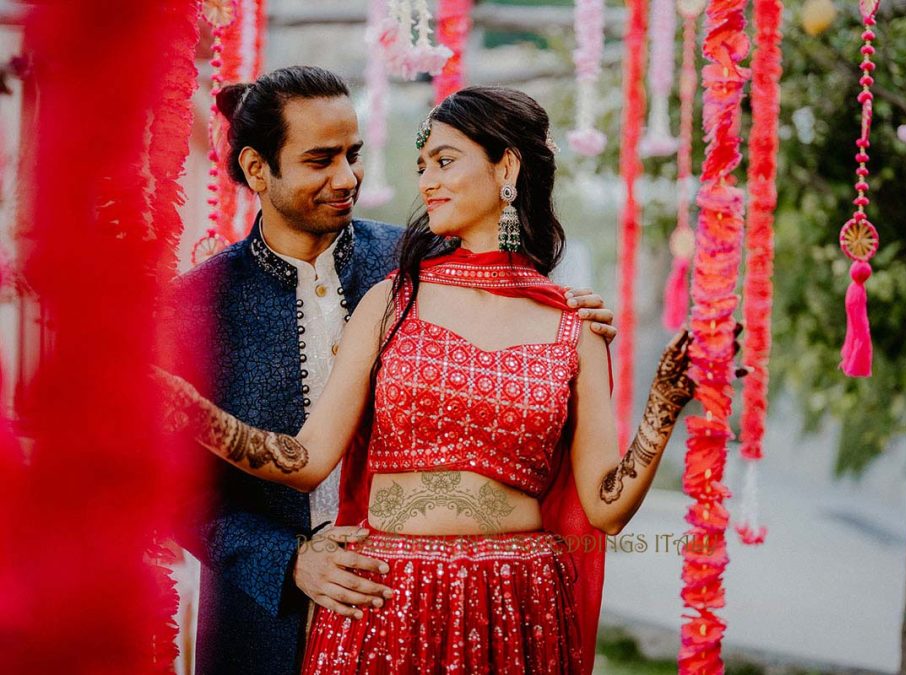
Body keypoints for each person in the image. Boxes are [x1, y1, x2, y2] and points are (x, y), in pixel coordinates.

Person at [162, 86, 688, 674]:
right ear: (258, 170)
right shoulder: (212, 303)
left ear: (507, 165)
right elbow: (192, 484)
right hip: (361, 599)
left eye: (353, 155)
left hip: (514, 601)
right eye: (320, 160)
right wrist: (186, 411)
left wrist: (662, 403)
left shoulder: (529, 306)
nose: (348, 179)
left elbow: (604, 507)